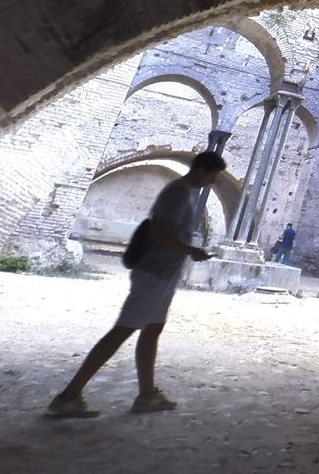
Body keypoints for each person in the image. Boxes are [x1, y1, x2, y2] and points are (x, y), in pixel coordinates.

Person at [45, 150, 226, 418]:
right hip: (154, 273)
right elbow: (161, 233)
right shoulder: (177, 193)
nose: (212, 182)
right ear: (201, 170)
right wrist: (191, 250)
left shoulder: (181, 192)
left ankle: (146, 395)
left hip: (160, 276)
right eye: (212, 176)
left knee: (152, 329)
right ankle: (68, 397)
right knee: (122, 331)